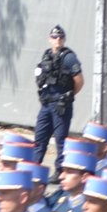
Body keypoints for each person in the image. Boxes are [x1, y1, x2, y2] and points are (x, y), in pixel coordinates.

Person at [33, 25, 84, 165]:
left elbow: (79, 81)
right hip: (46, 103)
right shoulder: (47, 55)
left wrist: (69, 95)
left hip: (60, 104)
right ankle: (34, 167)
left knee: (61, 141)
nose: (58, 40)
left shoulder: (69, 58)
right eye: (55, 37)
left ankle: (60, 171)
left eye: (61, 37)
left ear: (64, 39)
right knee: (40, 138)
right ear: (49, 39)